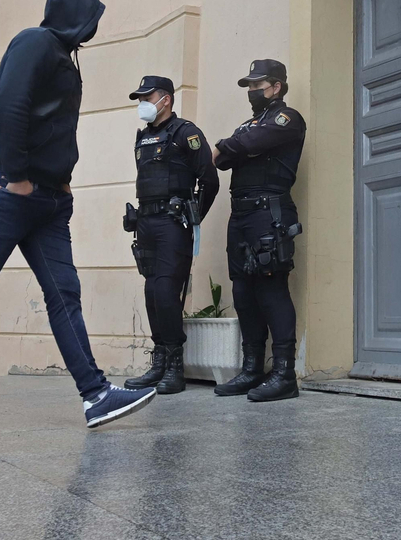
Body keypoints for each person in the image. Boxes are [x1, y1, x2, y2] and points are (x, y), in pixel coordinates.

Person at [0, 0, 156, 433]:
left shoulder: (64, 56)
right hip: (8, 191)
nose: (94, 27)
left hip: (49, 202)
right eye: (91, 17)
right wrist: (18, 175)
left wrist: (61, 184)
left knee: (65, 294)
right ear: (75, 14)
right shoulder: (35, 41)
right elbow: (8, 107)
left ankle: (96, 395)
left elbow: (53, 125)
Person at [212, 59, 305, 402]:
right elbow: (224, 160)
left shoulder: (288, 118)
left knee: (270, 288)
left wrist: (237, 144)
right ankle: (252, 368)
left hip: (269, 212)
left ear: (276, 87)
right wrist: (238, 144)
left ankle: (284, 374)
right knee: (243, 291)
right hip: (241, 214)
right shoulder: (247, 125)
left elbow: (245, 145)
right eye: (249, 86)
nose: (252, 91)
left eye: (257, 85)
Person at [122, 75, 220, 394]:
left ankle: (175, 367)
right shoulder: (143, 137)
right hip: (146, 222)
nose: (143, 104)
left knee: (166, 290)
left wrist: (193, 218)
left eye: (147, 98)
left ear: (165, 99)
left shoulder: (185, 133)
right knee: (152, 291)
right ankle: (160, 362)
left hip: (172, 223)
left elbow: (210, 180)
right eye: (140, 99)